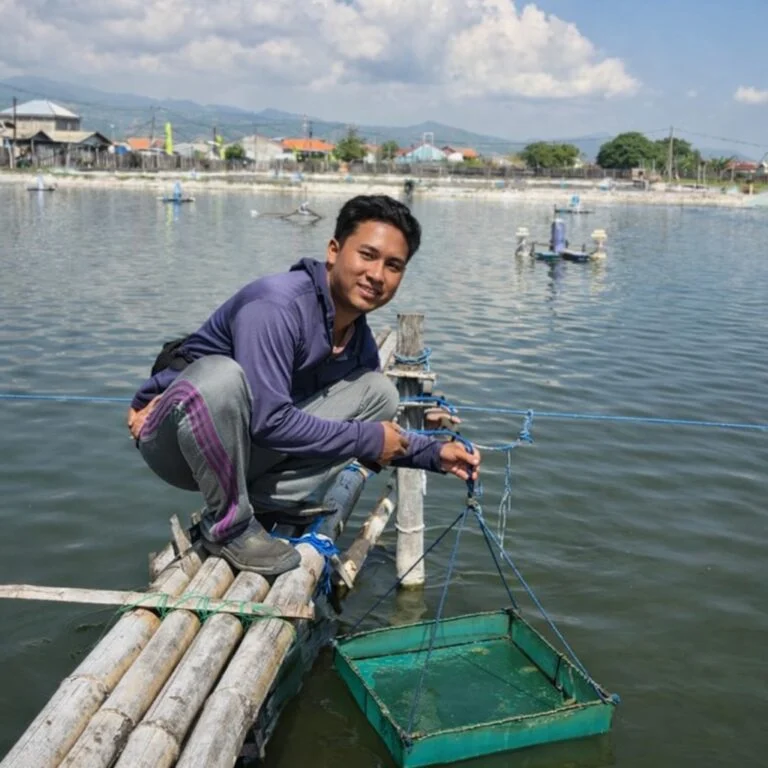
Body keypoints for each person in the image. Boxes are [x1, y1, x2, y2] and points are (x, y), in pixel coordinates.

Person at [127, 195, 480, 576]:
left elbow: (373, 433)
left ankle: (262, 503)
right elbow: (271, 422)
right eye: (367, 255)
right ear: (334, 250)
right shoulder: (277, 305)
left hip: (243, 446)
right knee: (222, 377)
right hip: (176, 440)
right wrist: (369, 438)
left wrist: (434, 454)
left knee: (379, 394)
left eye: (393, 265)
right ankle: (230, 526)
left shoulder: (358, 340)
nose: (377, 275)